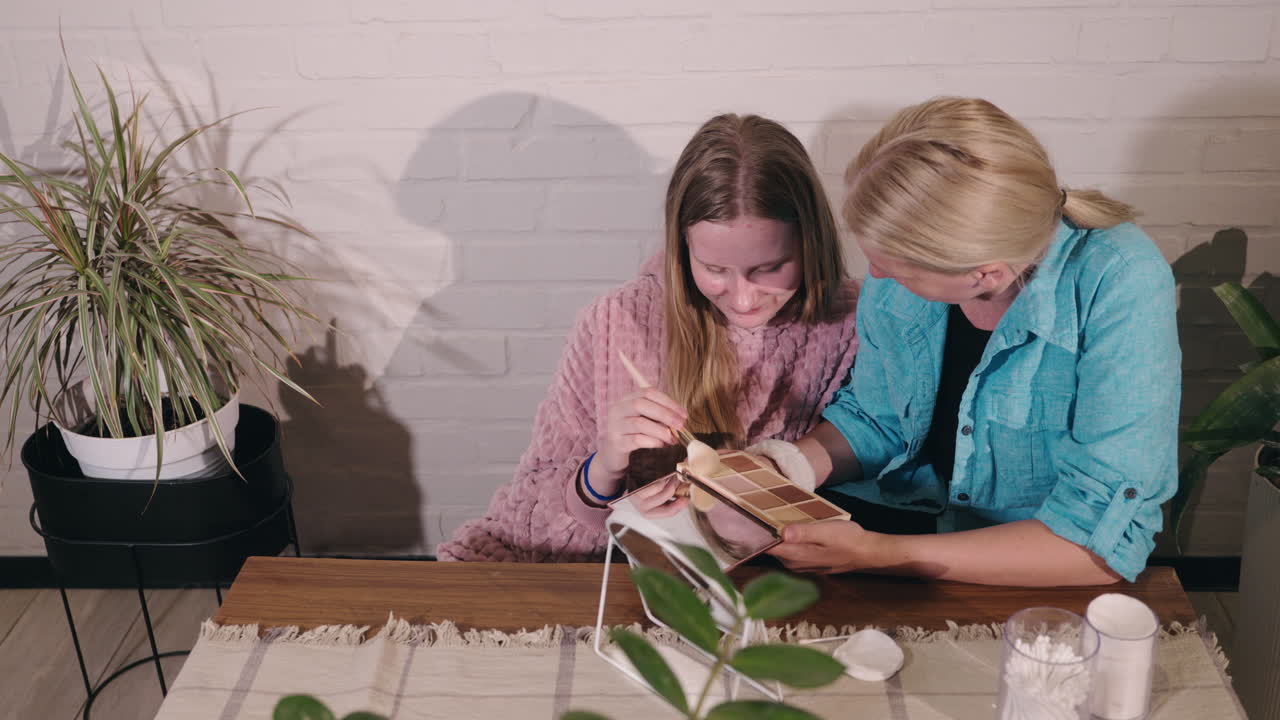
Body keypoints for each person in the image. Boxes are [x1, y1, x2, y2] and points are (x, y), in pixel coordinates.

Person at [760, 97, 1180, 586]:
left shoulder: (1119, 280)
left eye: (897, 267)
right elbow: (878, 420)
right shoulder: (906, 270)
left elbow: (1099, 545)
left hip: (1037, 563)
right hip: (905, 521)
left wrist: (878, 553)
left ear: (987, 273)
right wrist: (780, 467)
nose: (874, 275)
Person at [438, 114, 860, 562]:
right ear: (683, 248)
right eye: (715, 270)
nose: (743, 298)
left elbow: (881, 467)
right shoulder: (617, 321)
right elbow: (536, 500)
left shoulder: (855, 322)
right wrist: (603, 468)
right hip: (624, 570)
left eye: (768, 268)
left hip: (783, 575)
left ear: (810, 241)